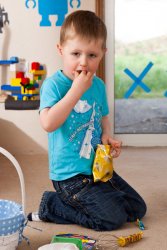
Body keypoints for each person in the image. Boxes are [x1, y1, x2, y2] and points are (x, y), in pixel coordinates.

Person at [28, 10, 146, 231]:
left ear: (103, 54)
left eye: (92, 55)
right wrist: (76, 91)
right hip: (69, 177)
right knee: (111, 219)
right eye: (75, 54)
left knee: (137, 209)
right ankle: (51, 205)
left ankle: (99, 199)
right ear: (61, 50)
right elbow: (48, 123)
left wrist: (107, 136)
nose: (83, 62)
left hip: (96, 170)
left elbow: (103, 117)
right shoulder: (54, 85)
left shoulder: (98, 85)